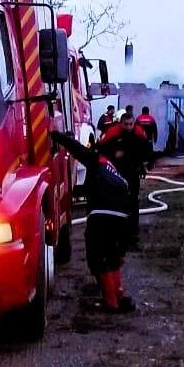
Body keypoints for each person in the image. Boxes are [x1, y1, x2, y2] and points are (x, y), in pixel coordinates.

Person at [51, 130, 134, 312]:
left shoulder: (99, 161)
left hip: (101, 215)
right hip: (121, 218)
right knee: (112, 256)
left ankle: (110, 303)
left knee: (96, 259)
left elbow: (77, 149)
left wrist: (56, 136)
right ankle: (118, 293)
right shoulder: (118, 174)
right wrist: (124, 245)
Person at [98, 112, 151, 248]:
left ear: (134, 123)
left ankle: (133, 236)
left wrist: (143, 166)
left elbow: (146, 152)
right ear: (121, 123)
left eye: (131, 124)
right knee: (116, 203)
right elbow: (101, 151)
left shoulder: (139, 133)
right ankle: (116, 235)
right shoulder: (112, 133)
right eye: (126, 124)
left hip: (133, 173)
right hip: (116, 175)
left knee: (133, 202)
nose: (128, 127)